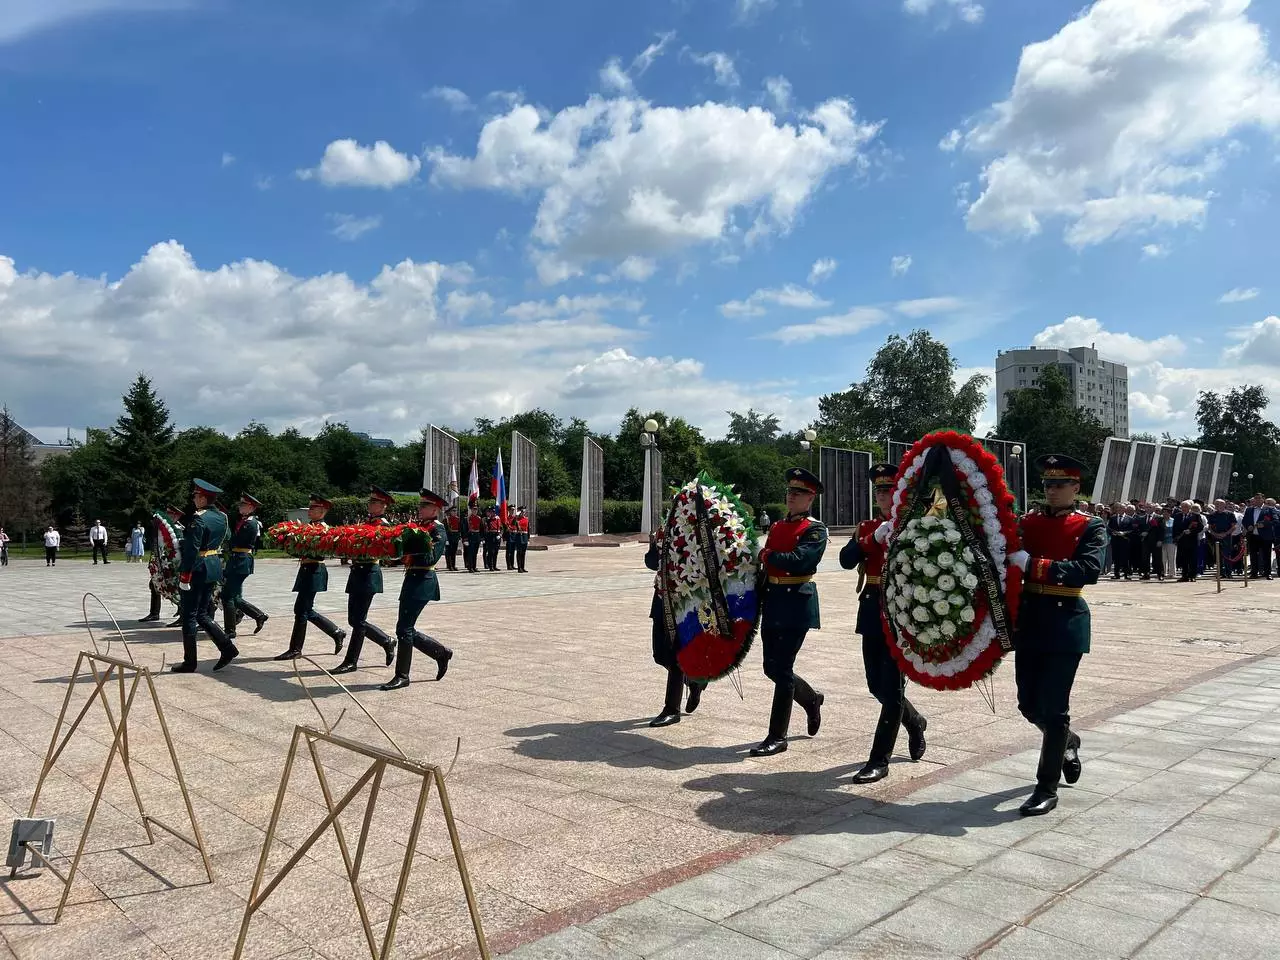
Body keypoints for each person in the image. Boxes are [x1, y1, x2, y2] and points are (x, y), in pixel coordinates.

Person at [1005, 454, 1105, 816]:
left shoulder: (1090, 526)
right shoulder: (1027, 522)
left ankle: (1046, 787)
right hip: (1030, 621)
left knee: (1055, 706)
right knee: (1028, 704)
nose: (1053, 490)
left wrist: (1033, 565)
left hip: (1065, 622)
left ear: (1076, 488)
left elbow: (1089, 570)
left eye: (1060, 484)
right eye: (1048, 484)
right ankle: (1067, 741)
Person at [839, 463, 927, 783]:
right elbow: (846, 560)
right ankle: (914, 720)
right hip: (872, 607)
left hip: (902, 611)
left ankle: (879, 759)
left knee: (891, 689)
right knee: (875, 684)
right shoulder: (867, 526)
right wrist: (870, 540)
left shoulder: (916, 526)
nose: (882, 495)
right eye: (878, 490)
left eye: (888, 489)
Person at [751, 467, 827, 757]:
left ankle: (777, 736)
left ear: (810, 498)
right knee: (771, 667)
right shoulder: (778, 526)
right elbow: (768, 563)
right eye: (790, 492)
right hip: (773, 600)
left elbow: (801, 561)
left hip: (797, 602)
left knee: (781, 669)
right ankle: (811, 699)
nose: (791, 497)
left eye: (798, 493)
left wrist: (766, 555)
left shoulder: (815, 529)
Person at [380, 489, 453, 690]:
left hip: (423, 580)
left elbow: (431, 558)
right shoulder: (418, 527)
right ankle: (440, 652)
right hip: (411, 578)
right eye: (420, 505)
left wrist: (410, 544)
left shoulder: (437, 530)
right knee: (405, 628)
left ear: (436, 509)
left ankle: (403, 675)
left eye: (425, 506)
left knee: (404, 628)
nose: (420, 509)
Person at [171, 479, 238, 673]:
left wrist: (185, 576)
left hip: (197, 568)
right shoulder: (222, 517)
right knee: (201, 613)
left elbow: (192, 550)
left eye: (195, 496)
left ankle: (190, 662)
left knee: (189, 615)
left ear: (202, 497)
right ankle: (227, 648)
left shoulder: (198, 519)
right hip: (213, 565)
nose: (193, 499)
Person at [644, 528, 706, 726]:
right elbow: (652, 564)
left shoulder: (695, 528)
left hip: (684, 600)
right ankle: (694, 681)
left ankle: (672, 708)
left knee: (676, 654)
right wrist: (653, 545)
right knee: (660, 654)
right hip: (661, 597)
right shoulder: (665, 528)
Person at [276, 494, 347, 661]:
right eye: (310, 507)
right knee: (303, 610)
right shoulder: (309, 526)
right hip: (307, 569)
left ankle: (296, 649)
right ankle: (335, 632)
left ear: (322, 511)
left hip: (315, 569)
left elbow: (320, 552)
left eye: (313, 508)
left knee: (302, 610)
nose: (310, 510)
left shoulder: (323, 529)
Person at [334, 486, 398, 673]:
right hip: (357, 572)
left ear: (383, 506)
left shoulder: (384, 525)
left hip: (369, 572)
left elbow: (385, 550)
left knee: (359, 619)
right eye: (370, 502)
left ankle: (351, 661)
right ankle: (386, 641)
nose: (370, 505)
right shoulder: (366, 523)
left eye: (374, 502)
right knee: (354, 619)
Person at [221, 493, 269, 639]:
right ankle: (258, 615)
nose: (240, 507)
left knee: (227, 596)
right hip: (237, 559)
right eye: (240, 504)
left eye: (243, 505)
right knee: (233, 596)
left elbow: (236, 541)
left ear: (251, 507)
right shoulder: (243, 521)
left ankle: (230, 631)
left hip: (241, 560)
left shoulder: (251, 523)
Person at [1106, 504, 1131, 579]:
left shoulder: (1129, 518)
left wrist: (1125, 533)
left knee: (1125, 558)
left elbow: (1132, 529)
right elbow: (1109, 528)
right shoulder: (1113, 518)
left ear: (1124, 509)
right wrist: (1112, 533)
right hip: (1115, 540)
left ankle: (1126, 574)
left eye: (1121, 508)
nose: (1120, 510)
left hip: (1125, 541)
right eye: (1118, 508)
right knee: (1116, 558)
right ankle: (1116, 574)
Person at [464, 506, 482, 572]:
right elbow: (465, 529)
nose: (475, 511)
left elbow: (481, 529)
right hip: (470, 536)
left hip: (477, 536)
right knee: (470, 552)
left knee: (475, 552)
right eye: (473, 509)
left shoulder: (479, 518)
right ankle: (470, 567)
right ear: (471, 510)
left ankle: (474, 566)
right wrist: (465, 539)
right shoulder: (468, 518)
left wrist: (481, 538)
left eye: (476, 510)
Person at [444, 506, 462, 571]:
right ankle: (450, 566)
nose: (455, 512)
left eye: (455, 511)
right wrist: (446, 539)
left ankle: (453, 565)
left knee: (454, 552)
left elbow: (459, 528)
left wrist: (459, 537)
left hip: (455, 536)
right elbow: (445, 530)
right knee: (449, 552)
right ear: (450, 512)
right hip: (449, 537)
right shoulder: (446, 519)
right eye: (453, 511)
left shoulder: (458, 519)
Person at [514, 505, 530, 573]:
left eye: (524, 511)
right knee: (519, 552)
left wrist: (528, 538)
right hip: (519, 536)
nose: (523, 513)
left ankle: (523, 567)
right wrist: (516, 516)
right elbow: (513, 524)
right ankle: (519, 567)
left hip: (525, 536)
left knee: (523, 553)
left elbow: (528, 529)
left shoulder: (526, 519)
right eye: (522, 511)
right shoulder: (517, 519)